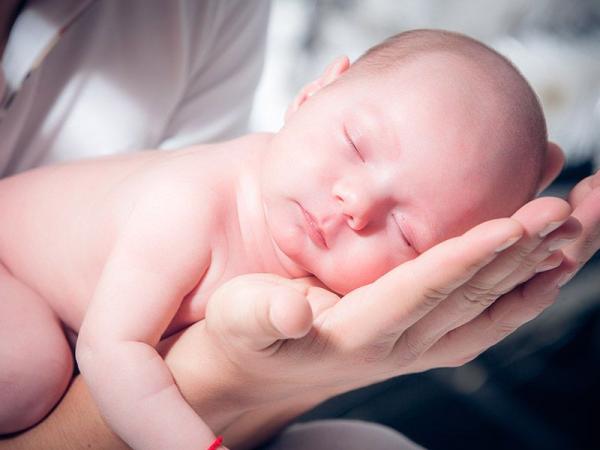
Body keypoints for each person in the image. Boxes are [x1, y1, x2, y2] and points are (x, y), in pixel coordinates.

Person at [0, 29, 587, 449]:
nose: (354, 203)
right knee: (29, 370)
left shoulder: (318, 265)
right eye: (355, 144)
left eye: (406, 234)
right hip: (18, 278)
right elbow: (111, 351)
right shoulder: (193, 204)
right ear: (312, 93)